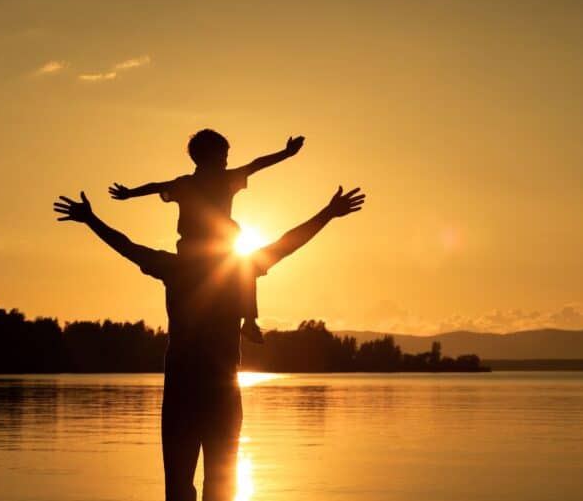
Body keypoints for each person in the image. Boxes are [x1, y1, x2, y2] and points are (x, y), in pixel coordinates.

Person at [53, 186, 365, 501]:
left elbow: (126, 246)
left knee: (180, 485)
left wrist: (90, 219)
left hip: (184, 387)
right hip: (219, 389)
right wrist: (327, 213)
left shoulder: (175, 267)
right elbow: (286, 244)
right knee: (219, 485)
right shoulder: (238, 269)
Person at [108, 129, 305, 344]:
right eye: (223, 156)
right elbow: (255, 165)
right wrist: (285, 154)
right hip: (200, 251)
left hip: (211, 249)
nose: (226, 161)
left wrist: (130, 193)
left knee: (244, 265)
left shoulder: (188, 183)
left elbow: (158, 186)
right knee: (245, 266)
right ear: (208, 157)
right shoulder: (216, 180)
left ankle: (248, 322)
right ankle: (248, 321)